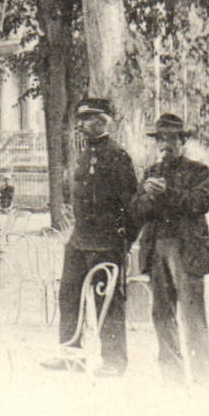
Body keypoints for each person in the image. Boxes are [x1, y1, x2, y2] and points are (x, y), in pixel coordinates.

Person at [45, 97, 137, 377]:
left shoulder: (118, 157)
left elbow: (131, 206)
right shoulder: (84, 156)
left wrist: (124, 241)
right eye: (81, 119)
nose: (81, 125)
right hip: (79, 240)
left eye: (87, 120)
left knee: (107, 302)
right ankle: (72, 355)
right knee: (69, 296)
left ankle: (114, 361)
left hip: (106, 243)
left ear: (103, 122)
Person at [135, 113, 209, 384]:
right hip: (157, 248)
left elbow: (200, 204)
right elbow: (139, 212)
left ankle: (203, 378)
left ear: (182, 141)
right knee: (161, 314)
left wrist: (166, 193)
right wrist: (146, 195)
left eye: (171, 139)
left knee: (193, 316)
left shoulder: (198, 171)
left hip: (187, 250)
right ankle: (171, 376)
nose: (165, 145)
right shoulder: (151, 173)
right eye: (161, 140)